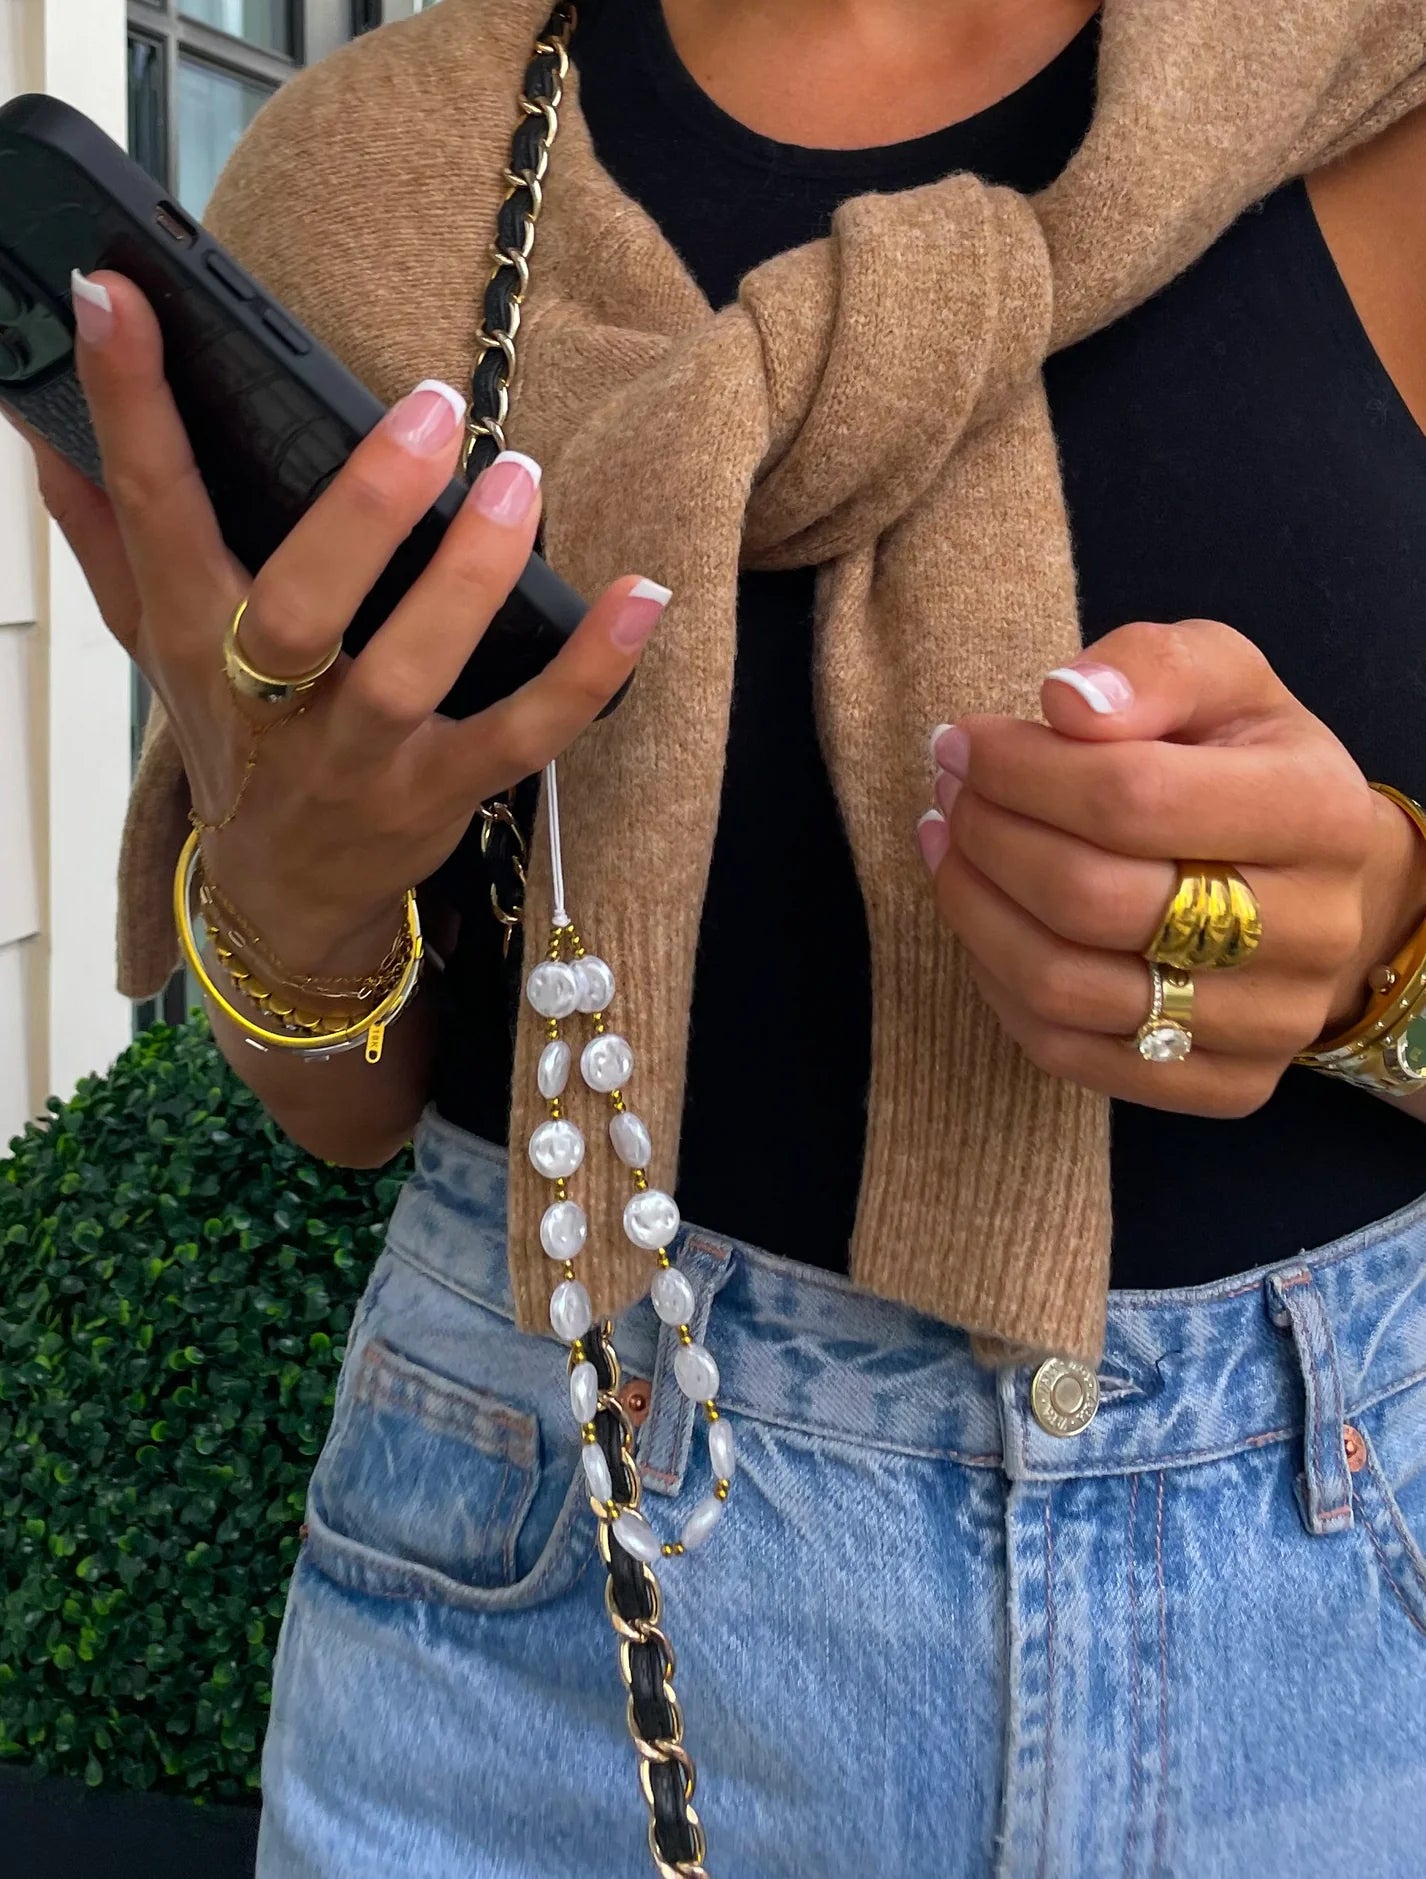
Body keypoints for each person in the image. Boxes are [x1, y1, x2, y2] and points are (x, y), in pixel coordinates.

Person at [14, 0, 1426, 1872]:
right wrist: (288, 899)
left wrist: (1385, 949)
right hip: (557, 1613)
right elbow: (350, 1104)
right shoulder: (374, 182)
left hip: (1341, 1618)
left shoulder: (1371, 85)